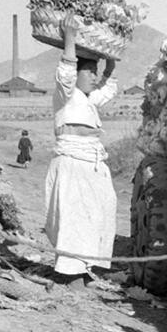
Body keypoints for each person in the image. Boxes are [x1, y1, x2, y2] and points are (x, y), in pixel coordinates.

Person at [44, 17, 118, 290]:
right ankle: (71, 275)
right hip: (72, 163)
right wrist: (70, 40)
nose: (95, 79)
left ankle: (86, 267)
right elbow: (65, 72)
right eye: (91, 73)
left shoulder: (87, 99)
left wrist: (109, 64)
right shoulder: (66, 95)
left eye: (95, 73)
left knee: (100, 211)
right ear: (77, 75)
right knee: (75, 218)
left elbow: (107, 90)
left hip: (92, 163)